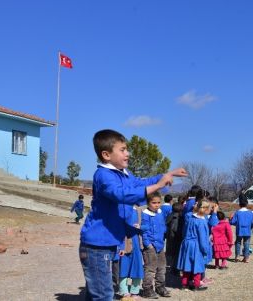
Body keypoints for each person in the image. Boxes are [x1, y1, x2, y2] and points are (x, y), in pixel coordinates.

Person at [79, 129, 187, 301]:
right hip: (96, 245)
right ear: (106, 155)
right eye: (122, 150)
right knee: (103, 294)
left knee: (98, 291)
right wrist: (157, 186)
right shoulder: (104, 175)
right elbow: (121, 194)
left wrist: (166, 175)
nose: (127, 153)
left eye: (126, 149)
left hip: (107, 243)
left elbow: (140, 183)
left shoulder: (125, 174)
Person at [140, 191, 171, 298]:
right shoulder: (145, 214)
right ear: (148, 203)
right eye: (154, 203)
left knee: (162, 268)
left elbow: (162, 227)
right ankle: (147, 289)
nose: (157, 205)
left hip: (160, 245)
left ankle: (160, 286)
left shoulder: (160, 213)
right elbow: (144, 231)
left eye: (158, 202)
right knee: (150, 268)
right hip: (151, 246)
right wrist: (148, 244)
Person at [176, 199, 210, 291]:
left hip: (186, 243)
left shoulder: (190, 218)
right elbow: (202, 239)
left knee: (187, 265)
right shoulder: (202, 222)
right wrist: (205, 250)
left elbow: (184, 231)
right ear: (206, 210)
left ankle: (184, 284)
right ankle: (196, 285)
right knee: (197, 265)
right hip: (196, 245)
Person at [117, 204, 144, 299]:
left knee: (137, 267)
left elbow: (145, 225)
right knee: (123, 267)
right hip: (124, 242)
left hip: (136, 242)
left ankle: (135, 291)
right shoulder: (121, 207)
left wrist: (141, 226)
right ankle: (124, 291)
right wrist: (121, 246)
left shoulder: (139, 210)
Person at [165, 201, 183, 275]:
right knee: (176, 255)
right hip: (175, 238)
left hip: (170, 238)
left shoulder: (170, 215)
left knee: (172, 254)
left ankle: (173, 268)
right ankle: (175, 270)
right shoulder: (177, 217)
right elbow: (174, 228)